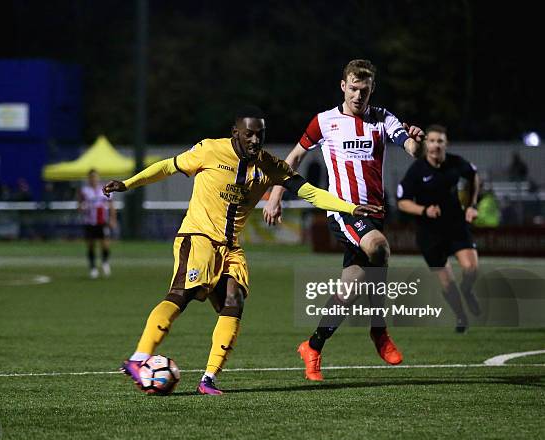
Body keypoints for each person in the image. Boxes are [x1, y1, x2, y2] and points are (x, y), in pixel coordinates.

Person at [103, 106, 381, 395]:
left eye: (260, 135)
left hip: (231, 248)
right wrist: (128, 183)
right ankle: (137, 359)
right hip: (198, 237)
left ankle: (208, 378)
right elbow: (167, 166)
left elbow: (309, 191)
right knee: (181, 294)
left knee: (234, 302)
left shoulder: (269, 165)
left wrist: (350, 207)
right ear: (235, 133)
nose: (255, 140)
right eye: (249, 134)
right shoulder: (209, 150)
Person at [262, 59, 424, 381]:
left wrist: (416, 141)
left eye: (364, 90)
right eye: (353, 89)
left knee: (349, 290)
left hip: (375, 213)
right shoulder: (324, 121)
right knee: (379, 248)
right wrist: (276, 196)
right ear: (343, 86)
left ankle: (313, 346)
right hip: (343, 211)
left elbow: (409, 147)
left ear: (372, 89)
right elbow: (292, 159)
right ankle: (379, 331)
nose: (358, 96)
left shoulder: (382, 118)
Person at [397, 124, 481, 333]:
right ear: (426, 144)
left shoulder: (456, 163)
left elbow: (474, 177)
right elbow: (402, 202)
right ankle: (461, 316)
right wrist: (425, 210)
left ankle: (467, 289)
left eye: (440, 141)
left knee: (471, 268)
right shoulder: (417, 170)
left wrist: (471, 205)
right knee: (447, 282)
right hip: (429, 234)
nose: (435, 145)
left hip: (456, 226)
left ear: (446, 143)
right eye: (432, 141)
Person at [78, 169, 117, 278]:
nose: (93, 179)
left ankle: (105, 262)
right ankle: (93, 267)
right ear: (88, 179)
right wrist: (83, 207)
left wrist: (113, 219)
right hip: (89, 222)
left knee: (105, 244)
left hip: (102, 222)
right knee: (91, 245)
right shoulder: (85, 191)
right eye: (91, 177)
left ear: (98, 178)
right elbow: (80, 205)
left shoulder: (104, 190)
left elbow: (111, 206)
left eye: (95, 177)